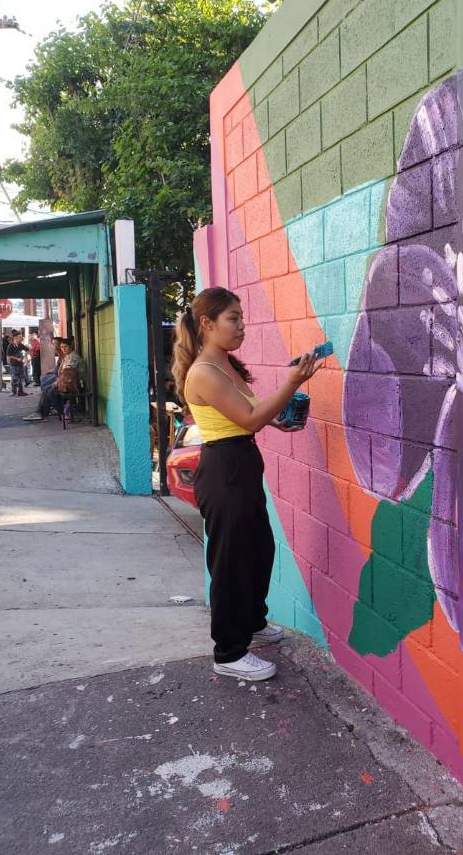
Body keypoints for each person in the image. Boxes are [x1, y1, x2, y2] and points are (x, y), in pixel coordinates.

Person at [172, 287, 323, 682]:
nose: (241, 326)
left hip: (241, 461)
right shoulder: (203, 372)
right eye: (232, 319)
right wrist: (291, 383)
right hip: (224, 468)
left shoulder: (226, 364)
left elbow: (252, 413)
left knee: (259, 548)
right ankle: (229, 650)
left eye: (241, 317)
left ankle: (253, 621)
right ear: (207, 324)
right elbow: (250, 418)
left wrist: (280, 418)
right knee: (230, 562)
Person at [6, 330, 29, 397]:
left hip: (20, 364)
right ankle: (14, 392)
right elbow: (8, 355)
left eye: (21, 337)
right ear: (15, 338)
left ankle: (20, 392)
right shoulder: (11, 346)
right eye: (20, 337)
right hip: (13, 364)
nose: (21, 338)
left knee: (21, 378)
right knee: (14, 378)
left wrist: (26, 357)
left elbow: (27, 349)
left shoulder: (20, 345)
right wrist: (17, 358)